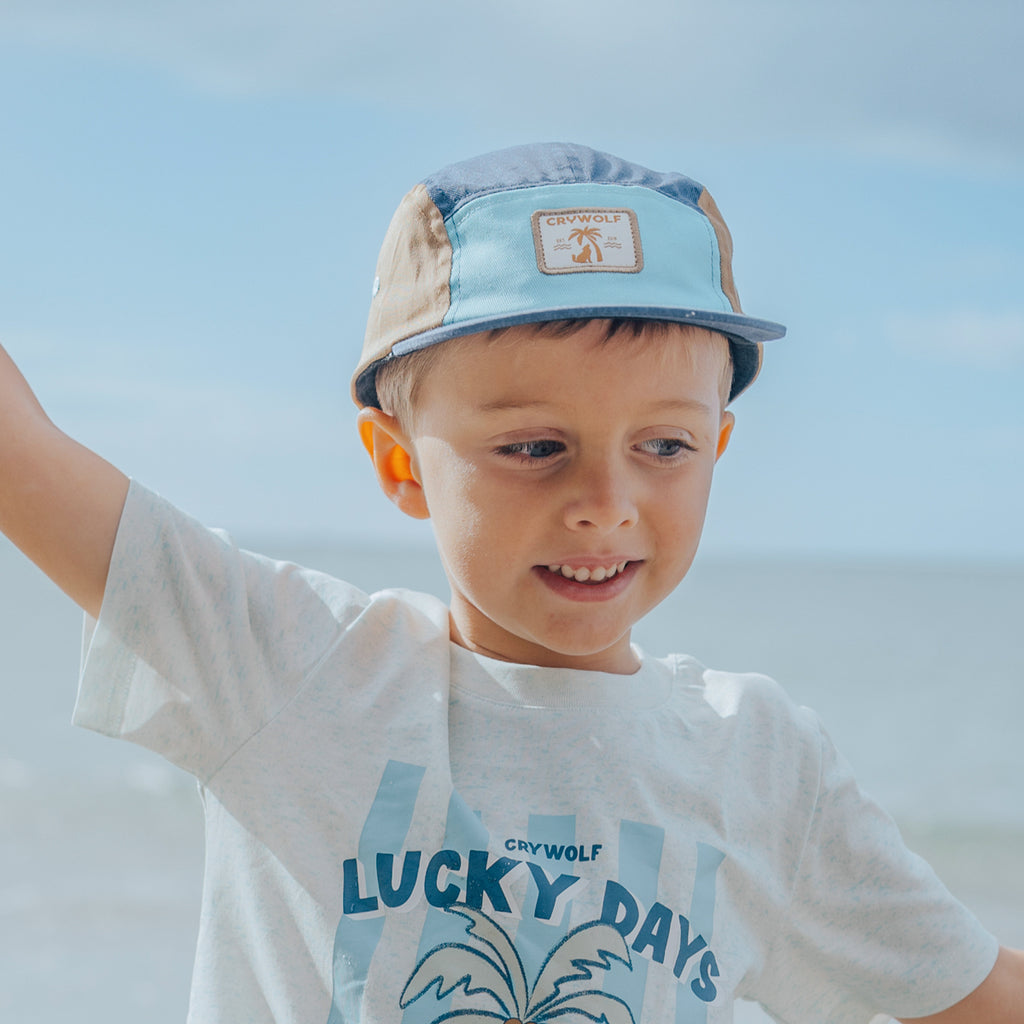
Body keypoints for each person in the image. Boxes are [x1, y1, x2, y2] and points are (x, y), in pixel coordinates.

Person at [0, 142, 1020, 1023]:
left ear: (720, 444)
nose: (605, 502)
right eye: (535, 445)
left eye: (664, 444)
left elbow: (973, 992)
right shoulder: (291, 671)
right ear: (400, 463)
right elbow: (23, 458)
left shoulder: (760, 766)